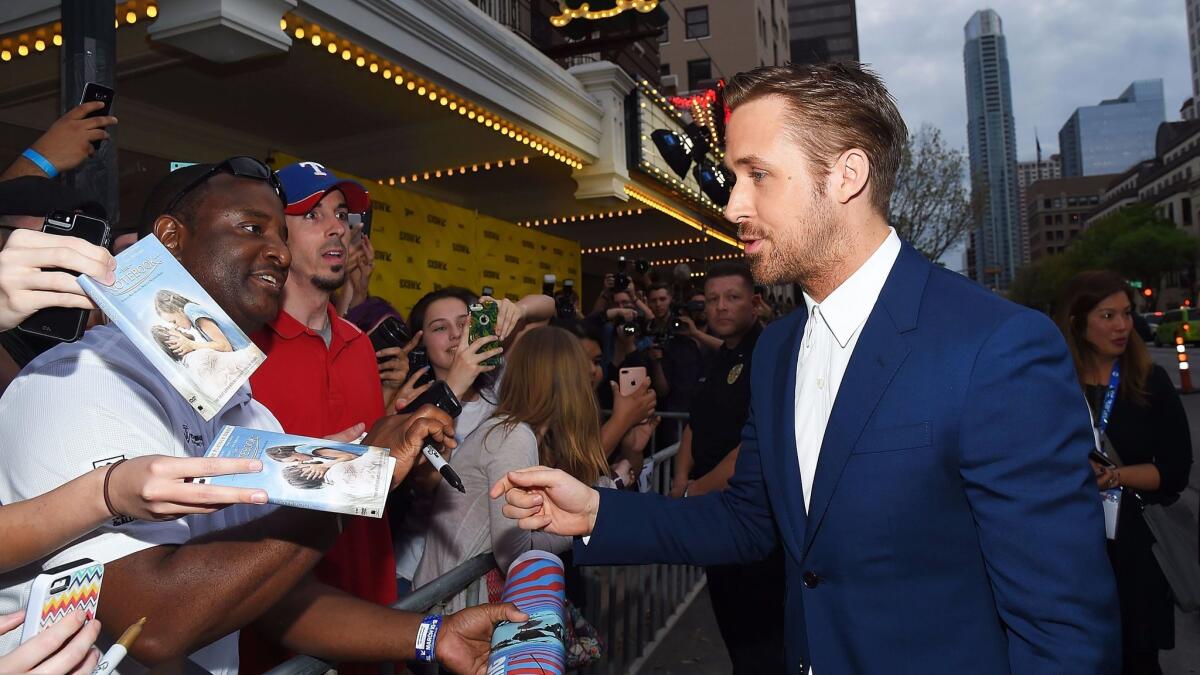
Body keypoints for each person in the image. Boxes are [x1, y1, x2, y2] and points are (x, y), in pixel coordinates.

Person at [491, 62, 1120, 674]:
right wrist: (597, 513)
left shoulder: (997, 346)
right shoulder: (778, 349)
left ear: (846, 175)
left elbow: (1062, 627)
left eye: (757, 175)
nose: (734, 203)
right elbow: (750, 520)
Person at [0, 157, 523, 674]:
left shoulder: (248, 412)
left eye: (279, 232)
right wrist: (358, 477)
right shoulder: (82, 377)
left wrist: (433, 635)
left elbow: (273, 594)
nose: (278, 251)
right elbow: (152, 622)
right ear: (170, 238)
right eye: (252, 227)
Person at [238, 160, 408, 675]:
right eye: (312, 215)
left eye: (341, 214)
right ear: (275, 234)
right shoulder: (240, 351)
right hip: (280, 634)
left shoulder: (360, 346)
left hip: (373, 612)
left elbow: (374, 482)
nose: (338, 227)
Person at [414, 326, 612, 610]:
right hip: (450, 610)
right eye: (584, 370)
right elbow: (515, 557)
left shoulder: (519, 433)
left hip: (455, 603)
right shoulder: (513, 436)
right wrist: (585, 523)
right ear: (568, 380)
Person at [1055, 271, 1194, 675]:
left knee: (1139, 658)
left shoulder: (1150, 382)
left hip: (1138, 550)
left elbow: (1174, 471)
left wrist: (1115, 477)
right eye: (1108, 315)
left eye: (1127, 314)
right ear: (1078, 323)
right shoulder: (1055, 386)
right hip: (1075, 549)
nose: (1122, 326)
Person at [659, 262, 784, 672]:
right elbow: (696, 424)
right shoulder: (718, 356)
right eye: (712, 299)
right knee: (731, 625)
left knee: (760, 641)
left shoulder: (768, 357)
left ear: (756, 302)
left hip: (750, 519)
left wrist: (693, 492)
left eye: (732, 297)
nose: (721, 307)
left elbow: (753, 449)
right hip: (714, 517)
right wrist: (679, 480)